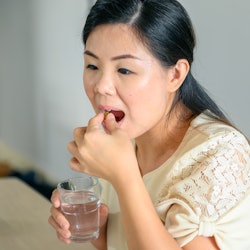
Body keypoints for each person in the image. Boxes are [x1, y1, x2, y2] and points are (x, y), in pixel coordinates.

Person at [48, 0, 250, 249]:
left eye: (124, 70)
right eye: (92, 65)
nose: (100, 85)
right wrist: (98, 229)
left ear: (175, 75)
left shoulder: (221, 152)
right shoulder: (126, 137)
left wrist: (124, 176)